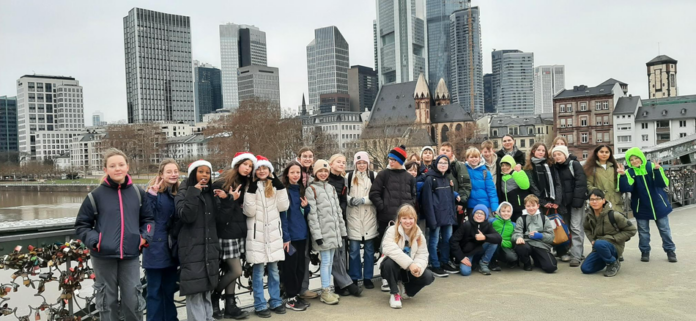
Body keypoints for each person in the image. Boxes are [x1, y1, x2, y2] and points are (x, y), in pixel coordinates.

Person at [75, 148, 154, 321]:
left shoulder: (138, 193)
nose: (117, 168)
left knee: (133, 299)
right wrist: (96, 241)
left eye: (121, 164)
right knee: (106, 301)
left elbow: (148, 220)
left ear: (127, 166)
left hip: (130, 255)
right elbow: (82, 225)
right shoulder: (94, 196)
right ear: (106, 170)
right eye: (112, 166)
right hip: (103, 256)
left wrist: (143, 238)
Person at [210, 152, 256, 320]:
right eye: (245, 164)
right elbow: (218, 215)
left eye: (250, 166)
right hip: (226, 234)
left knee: (231, 270)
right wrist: (231, 199)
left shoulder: (246, 184)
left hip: (239, 232)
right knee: (236, 271)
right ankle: (214, 296)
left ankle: (230, 306)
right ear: (237, 165)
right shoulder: (221, 183)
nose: (248, 168)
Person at [243, 156, 290, 317]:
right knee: (257, 273)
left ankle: (275, 301)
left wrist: (280, 187)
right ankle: (260, 304)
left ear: (270, 170)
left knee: (274, 271)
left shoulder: (275, 187)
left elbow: (284, 206)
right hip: (256, 236)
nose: (262, 171)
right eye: (259, 168)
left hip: (273, 235)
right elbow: (249, 212)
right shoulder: (250, 186)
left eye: (265, 168)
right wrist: (251, 191)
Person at [175, 160, 220, 321]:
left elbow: (220, 221)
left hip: (209, 247)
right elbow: (186, 216)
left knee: (206, 287)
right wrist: (193, 193)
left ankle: (209, 318)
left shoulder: (210, 193)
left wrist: (227, 200)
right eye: (201, 172)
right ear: (194, 173)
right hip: (191, 248)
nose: (204, 175)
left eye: (207, 172)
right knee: (194, 288)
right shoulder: (184, 191)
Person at [618, 147, 677, 263]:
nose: (634, 161)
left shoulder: (651, 167)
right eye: (631, 160)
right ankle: (645, 251)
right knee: (643, 231)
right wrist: (623, 176)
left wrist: (657, 170)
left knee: (665, 230)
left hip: (659, 205)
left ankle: (670, 251)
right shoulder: (629, 172)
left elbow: (663, 183)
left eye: (636, 158)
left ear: (641, 158)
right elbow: (626, 188)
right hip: (641, 206)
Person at [369, 145, 416, 291]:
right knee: (386, 249)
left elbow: (414, 197)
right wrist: (384, 207)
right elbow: (374, 193)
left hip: (405, 221)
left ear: (400, 161)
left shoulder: (409, 177)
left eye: (394, 160)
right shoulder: (383, 174)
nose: (391, 162)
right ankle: (385, 278)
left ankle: (401, 276)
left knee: (403, 249)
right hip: (387, 219)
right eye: (390, 159)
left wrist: (411, 213)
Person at [306, 159, 348, 305]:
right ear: (315, 173)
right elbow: (312, 215)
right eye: (320, 171)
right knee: (325, 262)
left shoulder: (330, 188)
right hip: (323, 234)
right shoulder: (311, 189)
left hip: (334, 233)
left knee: (330, 262)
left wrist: (342, 231)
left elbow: (337, 211)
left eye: (325, 171)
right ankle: (325, 290)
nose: (323, 174)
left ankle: (328, 289)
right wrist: (317, 235)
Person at [143, 159, 180, 321]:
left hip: (171, 250)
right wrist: (151, 195)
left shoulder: (177, 194)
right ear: (161, 175)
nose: (173, 174)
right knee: (154, 292)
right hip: (155, 249)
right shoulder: (154, 193)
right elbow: (145, 214)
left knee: (169, 290)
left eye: (176, 171)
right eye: (169, 172)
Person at [380, 205, 434, 309]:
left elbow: (422, 254)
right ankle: (394, 293)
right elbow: (389, 249)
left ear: (415, 219)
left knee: (428, 276)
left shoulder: (419, 234)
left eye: (411, 218)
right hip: (393, 268)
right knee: (388, 263)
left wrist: (418, 266)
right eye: (404, 218)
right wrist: (410, 264)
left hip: (408, 270)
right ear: (399, 219)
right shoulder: (391, 230)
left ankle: (406, 291)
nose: (407, 221)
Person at [327, 154, 362, 297]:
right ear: (331, 164)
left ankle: (339, 286)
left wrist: (341, 209)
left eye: (343, 162)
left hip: (340, 220)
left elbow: (343, 199)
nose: (342, 164)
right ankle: (346, 283)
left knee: (341, 254)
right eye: (338, 162)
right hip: (327, 220)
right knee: (333, 255)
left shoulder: (343, 181)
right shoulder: (325, 178)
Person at [279, 161, 311, 311]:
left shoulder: (300, 190)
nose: (295, 175)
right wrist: (286, 237)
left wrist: (307, 207)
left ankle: (296, 295)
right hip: (290, 237)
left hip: (301, 234)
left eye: (298, 172)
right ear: (287, 174)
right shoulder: (283, 191)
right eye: (292, 172)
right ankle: (290, 297)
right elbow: (283, 217)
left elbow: (304, 213)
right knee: (290, 268)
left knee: (300, 268)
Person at [582, 189, 637, 277]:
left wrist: (614, 239)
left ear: (603, 200)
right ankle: (606, 259)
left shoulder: (614, 215)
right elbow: (586, 229)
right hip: (599, 247)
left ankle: (613, 262)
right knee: (586, 269)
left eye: (598, 199)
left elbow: (632, 230)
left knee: (599, 243)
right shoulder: (589, 217)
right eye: (592, 199)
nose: (594, 202)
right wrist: (592, 240)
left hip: (614, 246)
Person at [420, 155, 457, 277]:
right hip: (436, 215)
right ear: (436, 164)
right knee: (434, 241)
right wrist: (431, 218)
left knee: (447, 240)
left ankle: (444, 262)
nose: (443, 165)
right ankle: (435, 265)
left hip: (447, 216)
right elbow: (427, 201)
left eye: (445, 163)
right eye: (440, 163)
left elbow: (450, 199)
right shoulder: (430, 179)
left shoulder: (447, 179)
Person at [346, 151, 378, 290]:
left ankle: (368, 277)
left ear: (368, 163)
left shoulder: (373, 176)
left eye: (364, 162)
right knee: (353, 251)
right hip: (353, 217)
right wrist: (351, 200)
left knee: (369, 250)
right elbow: (343, 196)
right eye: (359, 163)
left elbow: (377, 195)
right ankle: (354, 277)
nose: (361, 165)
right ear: (355, 164)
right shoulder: (348, 177)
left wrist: (364, 200)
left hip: (369, 217)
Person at [551, 145, 588, 267]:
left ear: (565, 154)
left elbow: (581, 183)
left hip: (575, 202)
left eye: (559, 154)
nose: (557, 157)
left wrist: (578, 201)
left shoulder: (574, 165)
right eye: (555, 155)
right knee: (565, 228)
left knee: (576, 228)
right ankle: (566, 251)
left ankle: (576, 256)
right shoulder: (554, 168)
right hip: (563, 204)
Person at [450, 204, 502, 276]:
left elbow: (498, 238)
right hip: (468, 253)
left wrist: (484, 237)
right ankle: (473, 263)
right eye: (477, 213)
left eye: (482, 214)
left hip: (480, 249)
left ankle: (483, 263)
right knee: (465, 272)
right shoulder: (466, 225)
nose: (479, 215)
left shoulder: (488, 225)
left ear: (485, 216)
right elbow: (453, 241)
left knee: (494, 242)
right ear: (473, 214)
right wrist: (461, 257)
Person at [512, 195, 557, 273]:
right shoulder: (521, 219)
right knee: (521, 247)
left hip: (540, 245)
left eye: (533, 205)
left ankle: (537, 259)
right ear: (525, 206)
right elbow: (515, 234)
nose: (531, 208)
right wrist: (518, 238)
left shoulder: (544, 218)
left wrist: (540, 235)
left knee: (551, 267)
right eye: (528, 206)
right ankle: (527, 263)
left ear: (538, 206)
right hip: (527, 243)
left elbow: (551, 237)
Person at [524, 143, 563, 217]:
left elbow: (557, 183)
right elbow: (532, 186)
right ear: (533, 151)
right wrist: (543, 202)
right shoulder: (529, 167)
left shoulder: (551, 164)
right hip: (538, 203)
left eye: (543, 150)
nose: (541, 152)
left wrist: (557, 201)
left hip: (553, 202)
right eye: (538, 150)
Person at [438, 142, 472, 224]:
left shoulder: (459, 166)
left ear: (452, 153)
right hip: (440, 205)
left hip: (456, 204)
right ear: (439, 152)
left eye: (447, 150)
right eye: (443, 150)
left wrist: (461, 203)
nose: (445, 152)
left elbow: (465, 185)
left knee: (456, 229)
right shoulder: (435, 165)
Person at [584, 145, 624, 211]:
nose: (604, 154)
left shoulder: (614, 167)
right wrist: (598, 193)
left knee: (617, 220)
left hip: (616, 202)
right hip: (600, 202)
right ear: (597, 153)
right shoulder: (591, 168)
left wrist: (623, 175)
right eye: (601, 152)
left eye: (606, 152)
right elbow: (588, 184)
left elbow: (620, 184)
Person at [498, 155, 536, 223]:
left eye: (507, 165)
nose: (504, 167)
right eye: (502, 165)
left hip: (519, 208)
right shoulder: (501, 176)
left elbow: (525, 186)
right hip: (508, 210)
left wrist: (513, 172)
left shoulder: (519, 172)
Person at [465, 147, 499, 215]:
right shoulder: (464, 170)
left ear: (480, 158)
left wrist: (495, 207)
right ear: (467, 158)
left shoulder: (485, 172)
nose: (474, 159)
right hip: (471, 206)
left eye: (476, 157)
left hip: (484, 205)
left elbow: (491, 191)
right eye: (471, 157)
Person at [489, 202, 518, 270]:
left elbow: (512, 240)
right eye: (503, 211)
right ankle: (492, 262)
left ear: (511, 213)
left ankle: (503, 260)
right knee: (495, 242)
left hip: (505, 245)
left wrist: (503, 242)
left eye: (508, 211)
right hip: (493, 245)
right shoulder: (492, 221)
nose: (506, 213)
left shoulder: (513, 225)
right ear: (499, 212)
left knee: (512, 257)